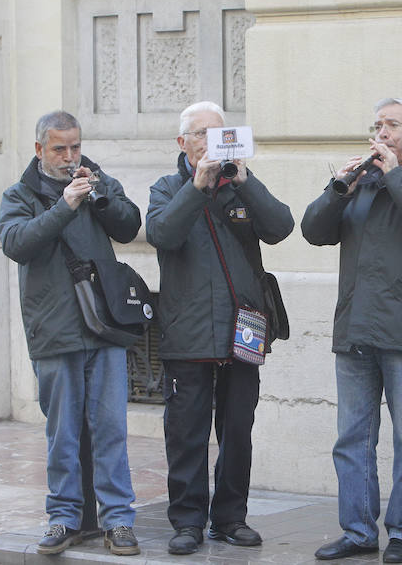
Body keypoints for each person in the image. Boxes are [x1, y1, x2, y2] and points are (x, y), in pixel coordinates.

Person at [302, 98, 402, 564]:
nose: (382, 132)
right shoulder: (359, 182)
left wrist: (395, 175)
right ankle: (356, 531)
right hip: (355, 329)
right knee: (352, 438)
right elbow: (313, 231)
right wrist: (338, 188)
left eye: (392, 124)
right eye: (377, 125)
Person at [145, 101, 294, 555]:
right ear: (183, 143)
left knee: (237, 430)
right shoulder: (167, 188)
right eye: (203, 135)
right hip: (187, 333)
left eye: (220, 134)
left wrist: (245, 183)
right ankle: (187, 521)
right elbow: (162, 234)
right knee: (187, 433)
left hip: (241, 331)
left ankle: (230, 517)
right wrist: (197, 186)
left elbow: (282, 226)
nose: (212, 144)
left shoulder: (240, 189)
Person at [0, 111, 142, 556]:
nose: (70, 157)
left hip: (105, 327)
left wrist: (98, 196)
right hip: (55, 331)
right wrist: (65, 207)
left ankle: (117, 520)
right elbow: (16, 244)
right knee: (63, 434)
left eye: (75, 147)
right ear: (40, 150)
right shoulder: (19, 195)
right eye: (60, 149)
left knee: (111, 429)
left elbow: (130, 225)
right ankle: (64, 518)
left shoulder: (97, 181)